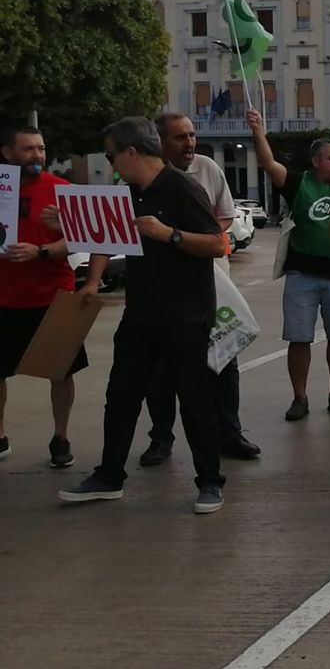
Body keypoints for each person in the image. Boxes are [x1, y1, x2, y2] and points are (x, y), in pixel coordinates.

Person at [59, 117, 229, 513]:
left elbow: (218, 245)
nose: (111, 162)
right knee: (121, 396)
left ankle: (209, 482)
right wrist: (89, 279)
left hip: (186, 315)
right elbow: (105, 235)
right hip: (141, 314)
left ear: (132, 152)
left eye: (111, 154)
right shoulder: (128, 191)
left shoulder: (182, 187)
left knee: (194, 400)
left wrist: (166, 233)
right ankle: (109, 476)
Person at [141, 112, 260, 466]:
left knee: (224, 360)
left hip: (210, 283)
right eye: (180, 137)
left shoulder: (208, 168)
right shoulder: (143, 179)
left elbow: (224, 216)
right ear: (159, 142)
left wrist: (193, 237)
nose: (190, 143)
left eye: (192, 135)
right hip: (162, 290)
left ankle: (230, 433)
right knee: (160, 370)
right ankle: (161, 438)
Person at [246, 110, 330, 422]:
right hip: (302, 275)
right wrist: (258, 132)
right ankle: (300, 397)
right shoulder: (298, 184)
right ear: (317, 161)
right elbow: (269, 164)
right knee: (298, 337)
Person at [0, 126, 85, 467]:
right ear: (7, 153)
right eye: (28, 148)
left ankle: (61, 437)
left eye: (40, 148)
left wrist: (42, 251)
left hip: (54, 296)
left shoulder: (62, 190)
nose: (37, 154)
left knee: (61, 371)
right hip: (5, 297)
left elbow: (81, 239)